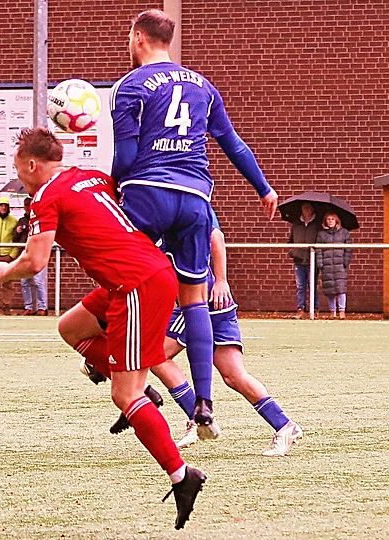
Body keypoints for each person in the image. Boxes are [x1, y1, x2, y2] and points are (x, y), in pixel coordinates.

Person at [0, 127, 206, 530]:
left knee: (124, 394)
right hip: (138, 276)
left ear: (32, 165)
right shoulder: (90, 176)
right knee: (71, 327)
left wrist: (3, 271)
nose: (19, 177)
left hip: (135, 285)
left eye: (18, 169)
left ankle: (182, 476)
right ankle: (139, 391)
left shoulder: (46, 196)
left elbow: (35, 262)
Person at [111, 9, 278, 435]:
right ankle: (203, 403)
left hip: (147, 192)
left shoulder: (129, 86)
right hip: (194, 198)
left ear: (138, 37)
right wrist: (263, 188)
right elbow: (233, 143)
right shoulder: (203, 86)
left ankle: (118, 374)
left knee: (119, 275)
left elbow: (126, 156)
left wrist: (112, 192)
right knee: (194, 299)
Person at [62, 211, 303, 457]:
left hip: (197, 300)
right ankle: (284, 425)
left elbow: (216, 237)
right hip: (208, 301)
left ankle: (196, 418)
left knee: (158, 356)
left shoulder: (177, 204)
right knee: (233, 374)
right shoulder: (156, 211)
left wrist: (221, 281)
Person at [14, 196, 48, 316]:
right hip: (25, 253)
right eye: (26, 205)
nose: (28, 207)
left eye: (30, 204)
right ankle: (28, 307)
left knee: (38, 281)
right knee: (25, 282)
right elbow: (15, 239)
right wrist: (17, 231)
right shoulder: (22, 221)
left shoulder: (40, 219)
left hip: (38, 252)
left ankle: (42, 307)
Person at [316, 212, 352, 319]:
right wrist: (320, 263)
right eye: (328, 219)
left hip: (340, 265)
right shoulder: (321, 234)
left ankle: (342, 311)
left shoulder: (344, 233)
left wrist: (345, 261)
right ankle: (332, 311)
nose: (330, 221)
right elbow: (318, 250)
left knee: (341, 289)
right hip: (327, 265)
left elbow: (348, 249)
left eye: (332, 219)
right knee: (330, 290)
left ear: (336, 220)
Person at [288, 202, 321, 317]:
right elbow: (291, 240)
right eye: (304, 208)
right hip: (299, 259)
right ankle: (300, 309)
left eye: (308, 208)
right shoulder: (296, 224)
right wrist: (293, 251)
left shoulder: (317, 225)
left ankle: (315, 309)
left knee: (313, 285)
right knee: (300, 286)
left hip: (312, 259)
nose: (306, 210)